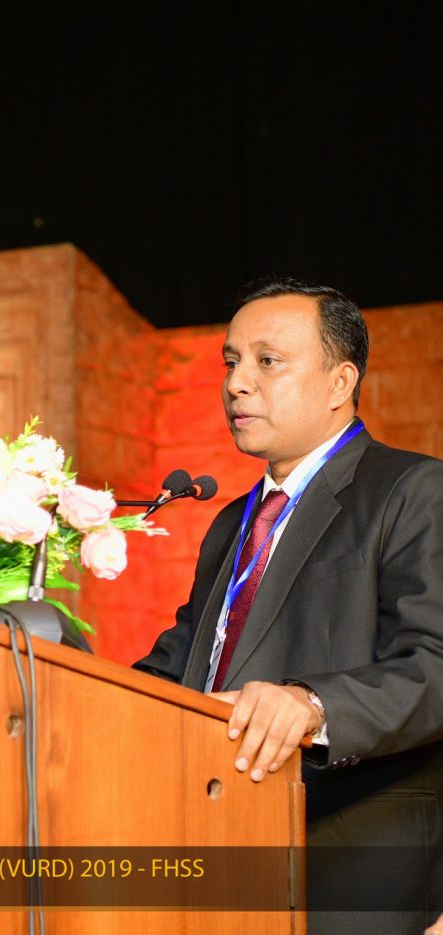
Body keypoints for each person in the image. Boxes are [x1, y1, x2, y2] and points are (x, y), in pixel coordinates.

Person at [134, 277, 443, 935]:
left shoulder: (413, 490)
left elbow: (434, 664)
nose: (237, 384)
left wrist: (313, 704)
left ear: (339, 382)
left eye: (267, 361)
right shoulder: (230, 522)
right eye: (230, 362)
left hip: (348, 867)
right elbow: (180, 667)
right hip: (216, 853)